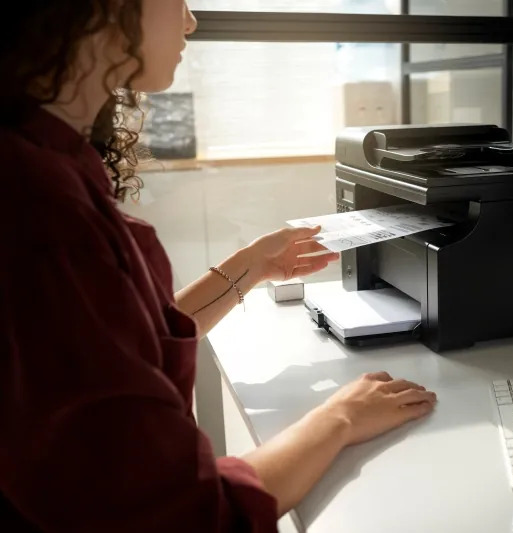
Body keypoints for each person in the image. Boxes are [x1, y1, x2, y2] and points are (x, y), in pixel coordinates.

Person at [0, 2, 437, 531]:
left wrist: (251, 266)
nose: (190, 21)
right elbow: (177, 512)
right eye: (178, 1)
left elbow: (122, 342)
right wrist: (339, 418)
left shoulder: (47, 162)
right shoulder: (43, 211)